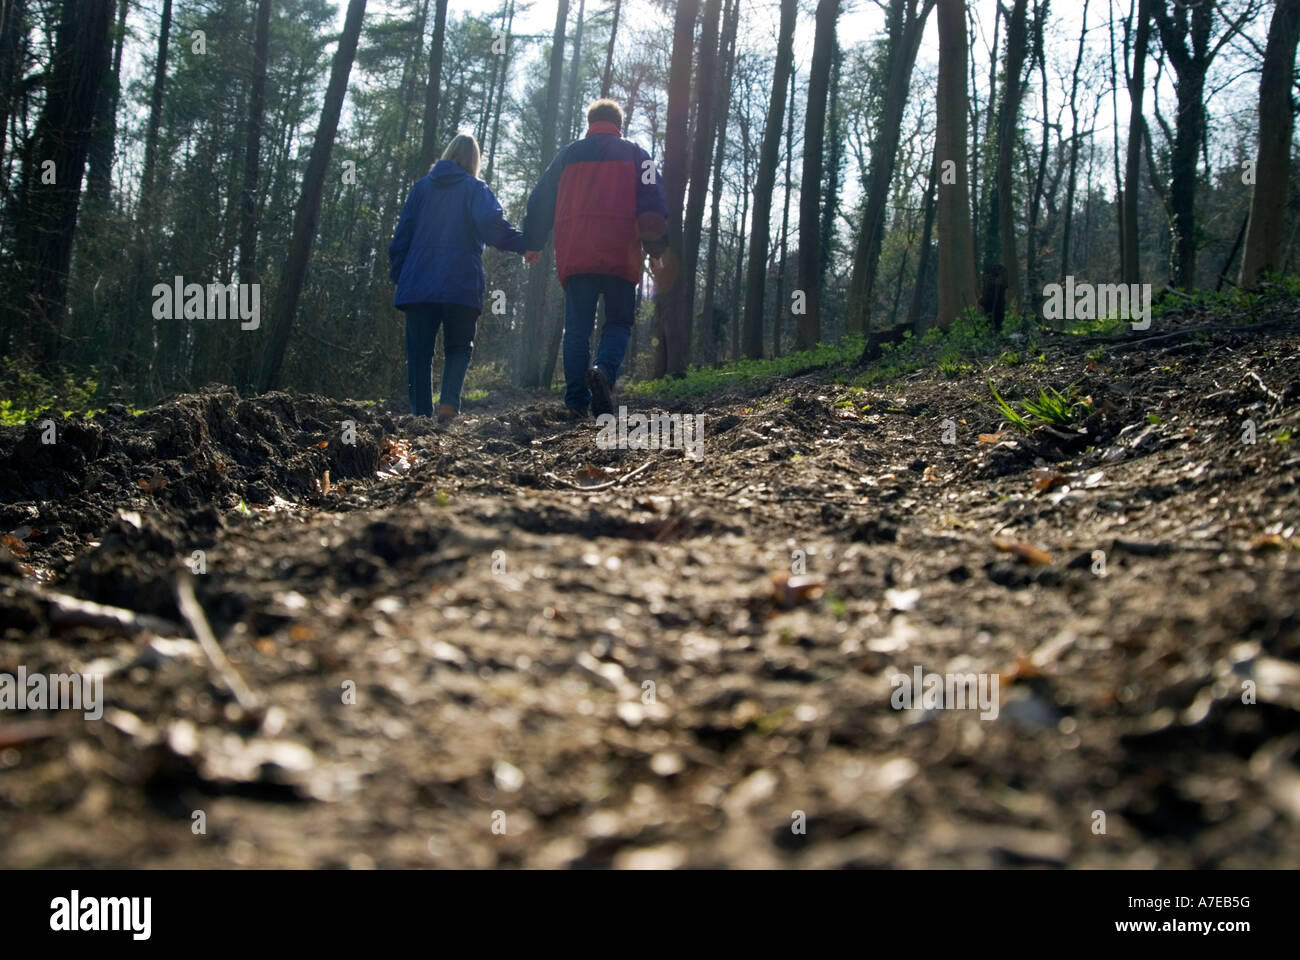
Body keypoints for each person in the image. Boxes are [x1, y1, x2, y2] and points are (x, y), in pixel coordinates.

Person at [521, 99, 668, 418]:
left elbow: (541, 198)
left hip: (577, 251)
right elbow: (652, 202)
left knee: (576, 330)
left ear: (590, 122)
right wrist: (656, 252)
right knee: (618, 322)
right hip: (621, 252)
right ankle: (603, 371)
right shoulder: (638, 155)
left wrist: (534, 241)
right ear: (620, 124)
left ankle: (575, 401)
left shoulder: (567, 155)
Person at [389, 133, 526, 422]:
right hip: (461, 282)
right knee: (459, 347)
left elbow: (401, 237)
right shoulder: (476, 189)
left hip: (419, 283)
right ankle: (449, 404)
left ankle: (420, 415)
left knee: (419, 353)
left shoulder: (421, 189)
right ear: (475, 161)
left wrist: (400, 275)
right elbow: (491, 225)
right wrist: (524, 244)